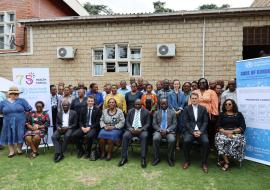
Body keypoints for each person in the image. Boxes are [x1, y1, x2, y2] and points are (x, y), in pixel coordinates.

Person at [0, 86, 32, 157]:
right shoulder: (3, 102)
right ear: (9, 94)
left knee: (20, 134)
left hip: (20, 122)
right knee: (9, 135)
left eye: (16, 94)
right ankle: (11, 151)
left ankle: (19, 149)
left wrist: (24, 116)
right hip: (7, 122)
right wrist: (6, 115)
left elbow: (28, 109)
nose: (15, 95)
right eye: (13, 93)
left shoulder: (22, 101)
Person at [215, 99, 246, 171]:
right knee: (220, 140)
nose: (227, 106)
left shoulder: (239, 114)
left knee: (236, 140)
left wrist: (232, 133)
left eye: (229, 104)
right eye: (226, 104)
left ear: (233, 105)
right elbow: (218, 126)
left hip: (236, 133)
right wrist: (226, 132)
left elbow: (242, 127)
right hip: (223, 133)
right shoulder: (222, 114)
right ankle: (227, 162)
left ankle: (225, 160)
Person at [118, 99, 150, 168]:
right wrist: (130, 128)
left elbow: (148, 123)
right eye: (136, 104)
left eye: (139, 104)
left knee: (144, 136)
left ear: (141, 105)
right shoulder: (130, 111)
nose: (137, 106)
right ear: (134, 105)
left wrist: (141, 129)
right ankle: (124, 158)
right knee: (125, 136)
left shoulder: (146, 111)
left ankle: (143, 158)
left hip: (141, 130)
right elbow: (127, 122)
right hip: (131, 129)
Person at [182, 93, 209, 173]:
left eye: (195, 98)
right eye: (192, 98)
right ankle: (187, 161)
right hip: (190, 131)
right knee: (186, 141)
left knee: (206, 142)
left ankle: (204, 163)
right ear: (190, 99)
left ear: (198, 99)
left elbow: (205, 122)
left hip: (201, 131)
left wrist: (200, 131)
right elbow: (186, 122)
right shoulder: (186, 108)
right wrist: (193, 132)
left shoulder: (203, 108)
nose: (194, 100)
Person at [193, 78, 219, 150]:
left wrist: (214, 115)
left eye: (204, 82)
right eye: (200, 83)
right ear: (198, 84)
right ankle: (199, 145)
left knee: (209, 130)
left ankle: (209, 145)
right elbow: (191, 102)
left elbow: (215, 104)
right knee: (197, 129)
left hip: (208, 115)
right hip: (196, 115)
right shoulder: (195, 92)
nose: (202, 84)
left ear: (206, 84)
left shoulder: (211, 92)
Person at [152, 98, 177, 167]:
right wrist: (160, 130)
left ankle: (169, 158)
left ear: (167, 104)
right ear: (160, 104)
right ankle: (156, 158)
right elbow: (154, 124)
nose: (163, 105)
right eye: (162, 104)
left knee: (172, 140)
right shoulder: (156, 112)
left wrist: (167, 130)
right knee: (155, 138)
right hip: (159, 131)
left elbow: (174, 124)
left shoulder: (172, 112)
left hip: (169, 131)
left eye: (164, 103)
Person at [168, 79, 185, 151]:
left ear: (179, 85)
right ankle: (172, 144)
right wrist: (174, 111)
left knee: (179, 129)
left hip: (180, 114)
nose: (176, 85)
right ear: (173, 85)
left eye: (177, 84)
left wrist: (179, 110)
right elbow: (169, 103)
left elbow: (183, 103)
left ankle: (177, 144)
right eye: (175, 84)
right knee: (173, 128)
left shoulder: (182, 93)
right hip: (172, 113)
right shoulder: (170, 93)